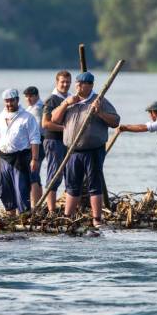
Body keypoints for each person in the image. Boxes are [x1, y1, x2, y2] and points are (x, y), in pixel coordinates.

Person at [50, 72, 119, 226]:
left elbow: (115, 121)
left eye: (83, 84)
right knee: (72, 185)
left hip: (93, 150)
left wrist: (99, 112)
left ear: (91, 85)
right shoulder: (71, 101)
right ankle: (68, 217)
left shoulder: (99, 101)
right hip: (73, 151)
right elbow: (54, 119)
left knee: (94, 184)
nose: (78, 86)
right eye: (77, 83)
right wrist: (65, 104)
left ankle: (97, 219)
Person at [0, 88, 41, 215]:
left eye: (11, 101)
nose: (9, 104)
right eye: (6, 101)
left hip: (21, 158)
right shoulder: (0, 117)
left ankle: (24, 216)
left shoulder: (27, 118)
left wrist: (34, 159)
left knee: (21, 190)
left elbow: (35, 139)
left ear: (17, 100)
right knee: (6, 191)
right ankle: (10, 217)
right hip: (4, 158)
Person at [41, 70, 71, 213]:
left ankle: (69, 207)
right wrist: (66, 129)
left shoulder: (71, 98)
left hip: (67, 142)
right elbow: (45, 124)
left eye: (67, 82)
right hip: (53, 141)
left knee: (69, 174)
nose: (65, 84)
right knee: (54, 174)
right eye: (62, 82)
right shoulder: (51, 100)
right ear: (57, 83)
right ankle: (52, 210)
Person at [23, 86, 45, 206]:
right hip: (36, 143)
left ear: (37, 96)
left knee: (33, 174)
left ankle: (35, 205)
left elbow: (36, 128)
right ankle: (37, 203)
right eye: (26, 97)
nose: (28, 99)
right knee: (34, 174)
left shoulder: (37, 108)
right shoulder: (31, 108)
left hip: (38, 143)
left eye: (30, 96)